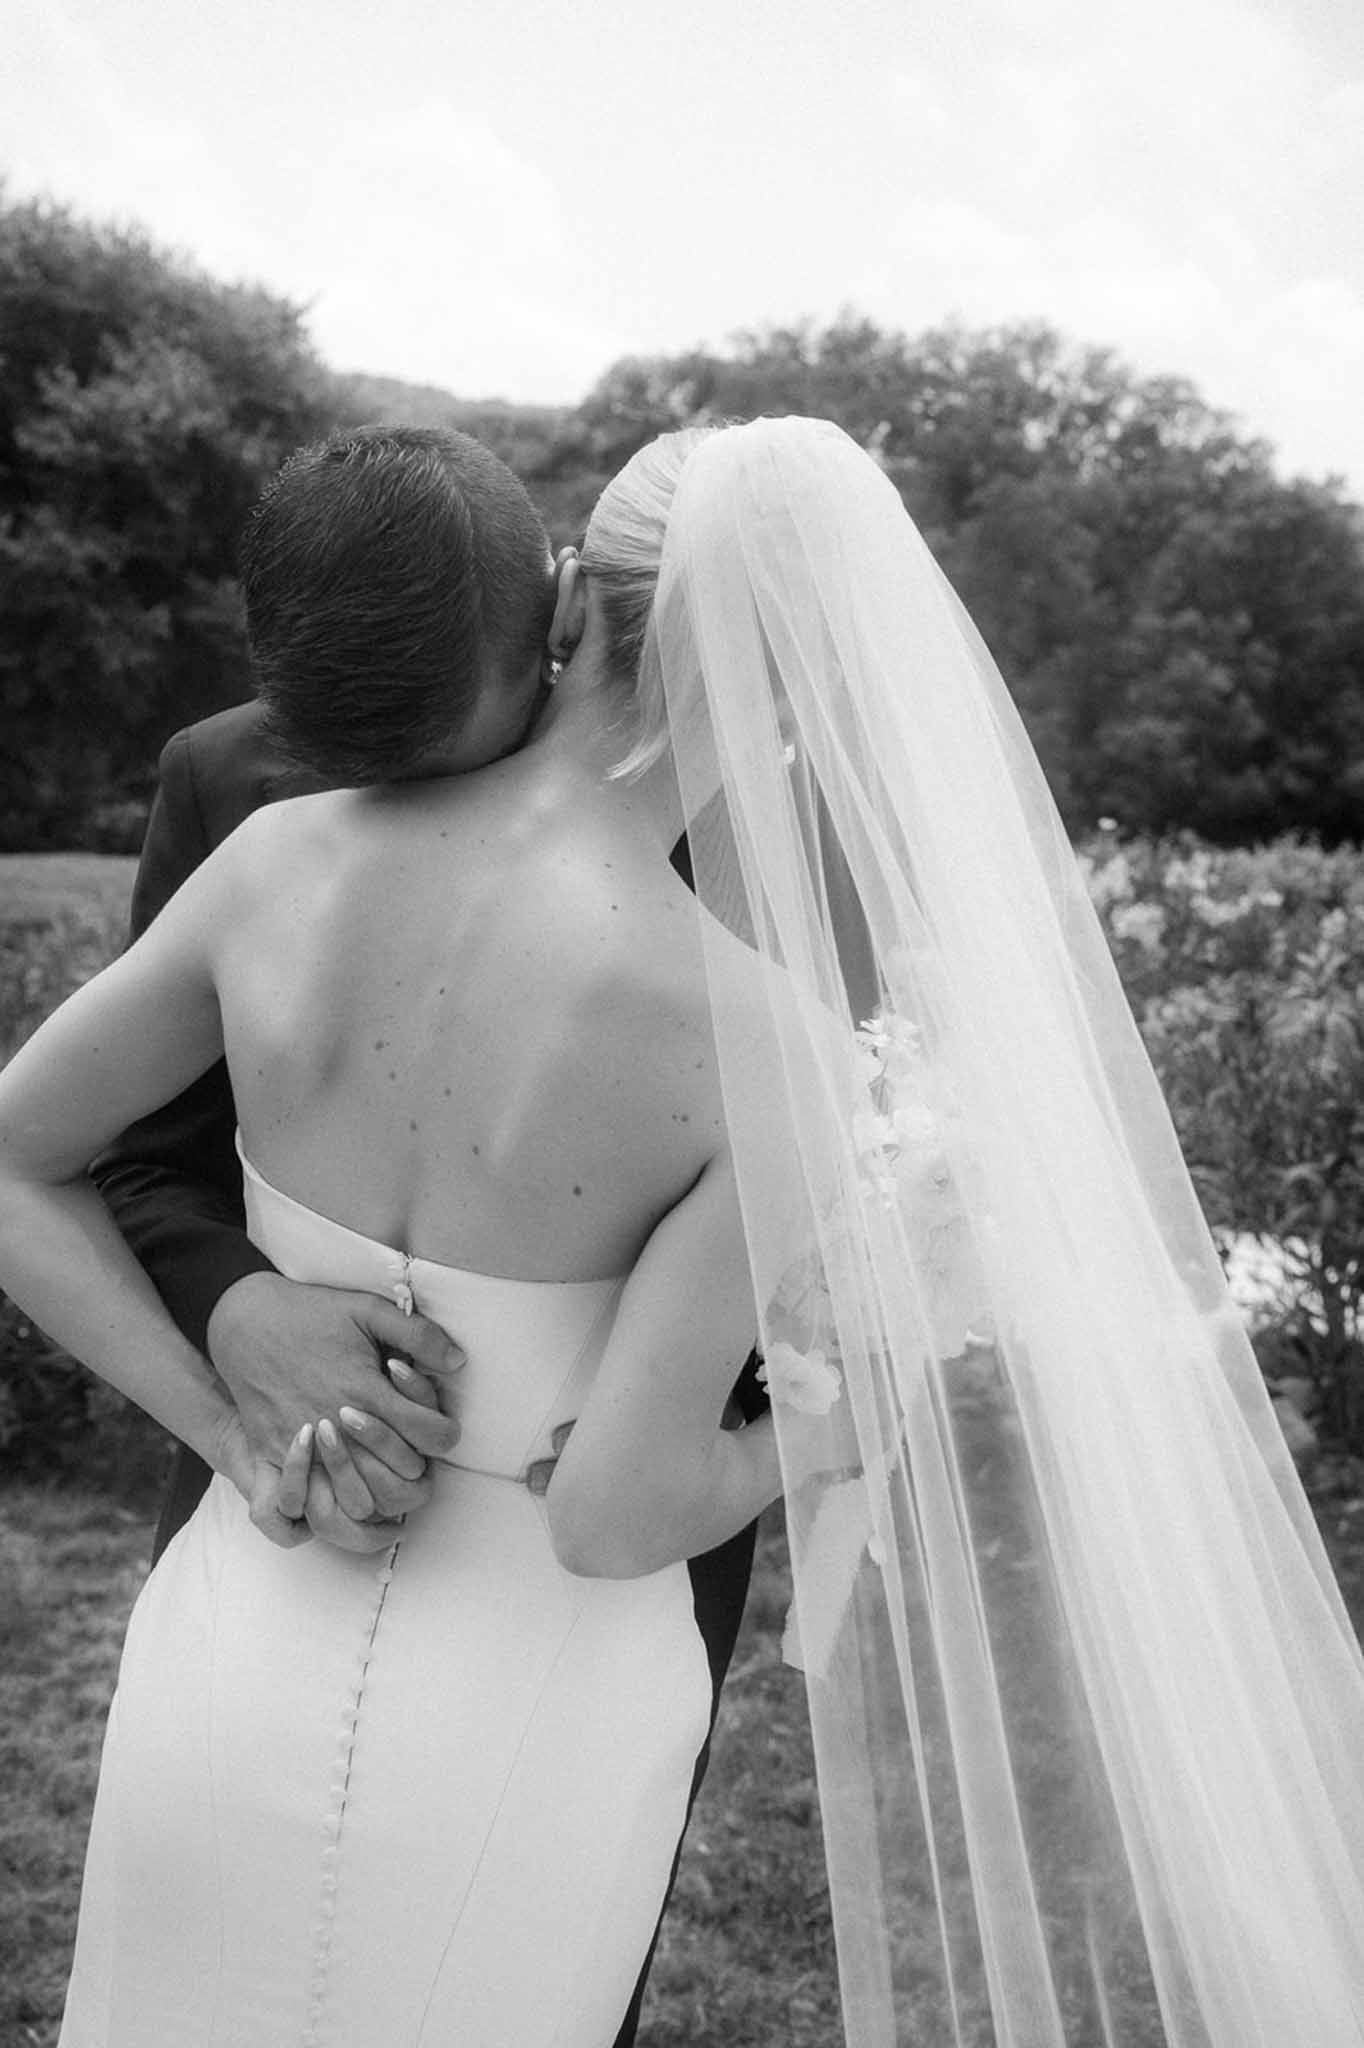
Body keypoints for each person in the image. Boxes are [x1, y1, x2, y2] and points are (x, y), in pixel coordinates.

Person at [3, 416, 1364, 2048]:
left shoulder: (280, 856)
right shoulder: (754, 1036)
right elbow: (611, 1510)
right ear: (802, 694)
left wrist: (232, 1437)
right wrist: (857, 1418)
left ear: (570, 605)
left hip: (242, 1623)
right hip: (533, 1708)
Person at [78, 423, 765, 2044]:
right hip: (286, 1513)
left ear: (565, 610)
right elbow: (138, 1156)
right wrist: (238, 1324)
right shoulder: (239, 789)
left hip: (586, 1597)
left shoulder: (791, 860)